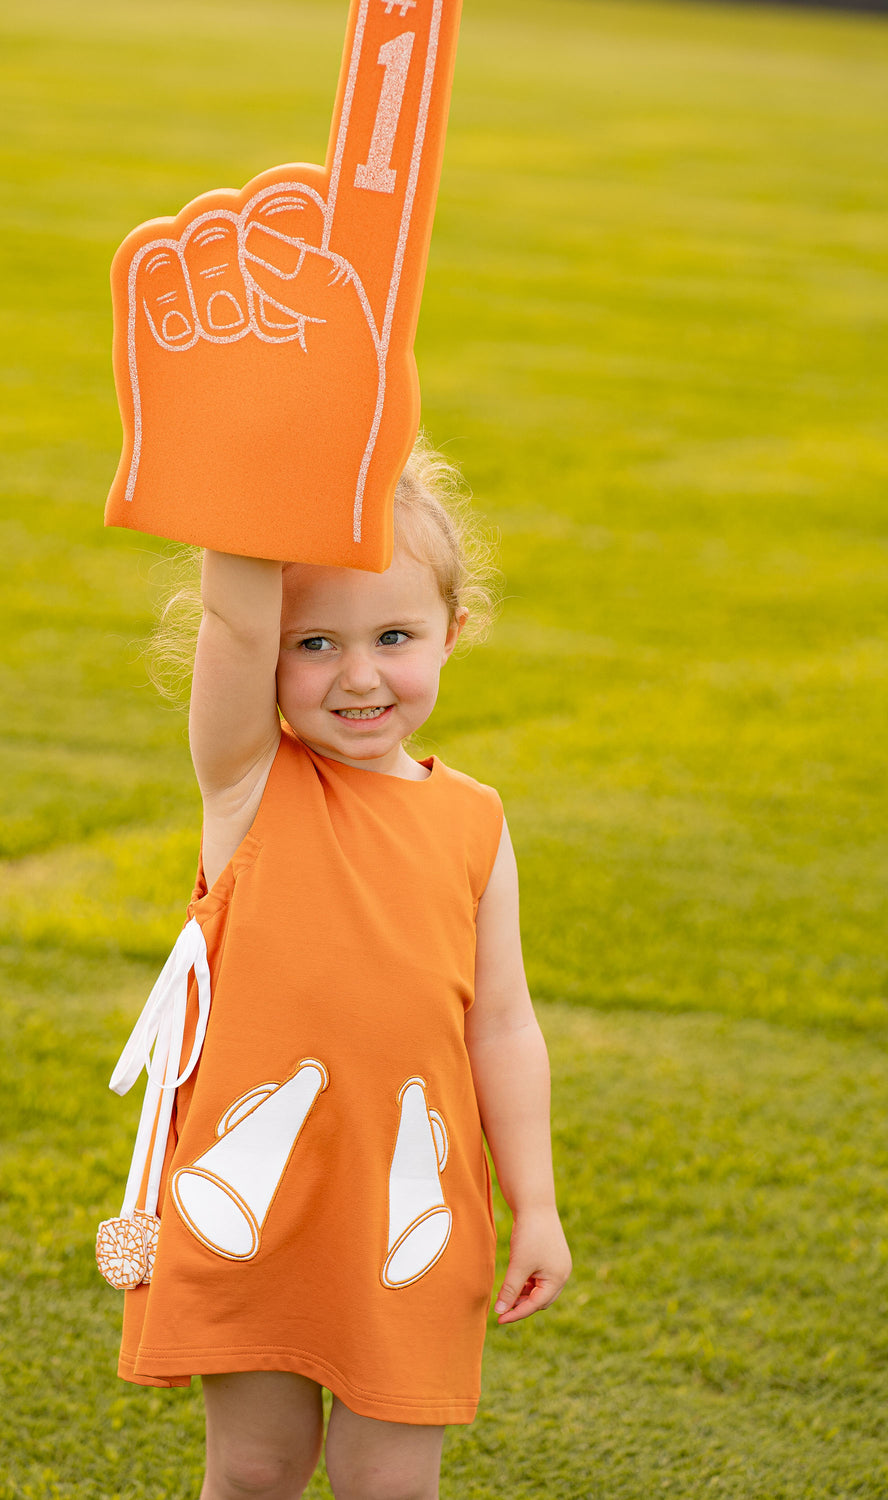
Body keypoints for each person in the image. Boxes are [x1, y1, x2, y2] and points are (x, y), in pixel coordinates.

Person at [99, 442, 572, 1500]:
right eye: (314, 643)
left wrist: (534, 1203)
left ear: (453, 634)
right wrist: (260, 461)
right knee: (260, 1469)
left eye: (394, 637)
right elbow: (229, 619)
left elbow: (502, 1025)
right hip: (259, 1201)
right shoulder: (250, 784)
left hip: (412, 1207)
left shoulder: (475, 822)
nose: (358, 675)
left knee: (387, 1485)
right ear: (268, 657)